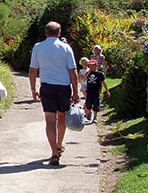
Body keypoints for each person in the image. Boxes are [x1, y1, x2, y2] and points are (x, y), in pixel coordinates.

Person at [29, 21, 80, 166]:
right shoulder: (66, 48)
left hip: (47, 87)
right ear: (59, 33)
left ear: (46, 33)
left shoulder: (38, 47)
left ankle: (54, 153)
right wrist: (75, 92)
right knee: (61, 116)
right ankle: (59, 144)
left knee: (50, 120)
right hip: (63, 87)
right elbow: (73, 71)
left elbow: (33, 70)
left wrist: (33, 90)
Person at [84, 59, 110, 124]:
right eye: (90, 66)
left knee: (96, 104)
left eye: (92, 66)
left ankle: (95, 118)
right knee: (88, 104)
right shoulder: (88, 73)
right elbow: (84, 79)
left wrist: (107, 90)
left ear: (96, 65)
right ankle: (89, 112)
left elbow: (103, 82)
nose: (91, 67)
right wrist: (89, 73)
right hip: (89, 91)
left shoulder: (99, 74)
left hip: (96, 91)